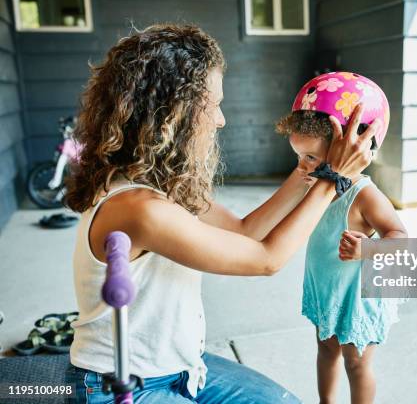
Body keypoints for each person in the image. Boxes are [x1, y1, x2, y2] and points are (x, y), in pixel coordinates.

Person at [62, 24, 379, 403]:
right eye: (213, 105)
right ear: (174, 112)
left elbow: (244, 231)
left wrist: (308, 168)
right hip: (123, 385)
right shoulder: (137, 208)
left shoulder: (155, 182)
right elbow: (265, 259)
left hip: (180, 367)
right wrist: (333, 178)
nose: (220, 119)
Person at [275, 72, 408, 404]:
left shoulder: (365, 195)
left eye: (310, 158)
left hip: (357, 298)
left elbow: (401, 237)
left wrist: (369, 247)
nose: (302, 168)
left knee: (357, 364)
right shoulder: (316, 186)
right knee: (325, 350)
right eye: (298, 157)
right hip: (328, 291)